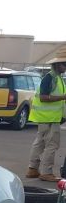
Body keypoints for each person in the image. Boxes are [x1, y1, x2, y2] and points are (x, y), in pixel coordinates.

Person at [27, 52, 66, 182]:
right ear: (57, 65)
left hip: (46, 118)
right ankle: (46, 172)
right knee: (52, 145)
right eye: (64, 64)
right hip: (49, 118)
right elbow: (44, 98)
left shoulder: (56, 78)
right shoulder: (50, 78)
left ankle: (33, 169)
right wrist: (63, 97)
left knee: (39, 143)